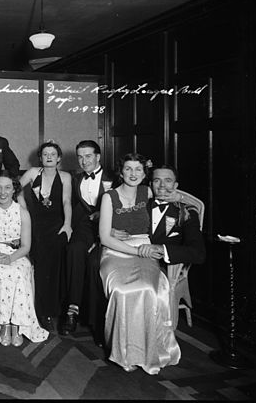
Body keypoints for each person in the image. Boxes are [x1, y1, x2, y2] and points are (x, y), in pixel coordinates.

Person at [98, 153, 180, 375]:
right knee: (122, 290)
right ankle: (124, 354)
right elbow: (105, 237)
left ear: (145, 174)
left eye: (138, 170)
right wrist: (136, 251)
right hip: (115, 252)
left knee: (147, 289)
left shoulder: (149, 192)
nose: (133, 174)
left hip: (147, 249)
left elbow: (176, 202)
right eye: (128, 169)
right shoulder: (109, 197)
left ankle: (147, 352)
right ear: (121, 171)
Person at [0, 170, 49, 347]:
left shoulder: (22, 212)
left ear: (14, 189)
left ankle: (17, 325)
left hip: (17, 255)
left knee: (17, 273)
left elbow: (26, 246)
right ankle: (3, 325)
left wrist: (10, 258)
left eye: (7, 188)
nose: (3, 192)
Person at [61, 140, 115, 336]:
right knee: (74, 249)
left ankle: (98, 322)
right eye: (80, 157)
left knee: (94, 262)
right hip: (86, 224)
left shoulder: (115, 176)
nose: (83, 161)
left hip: (111, 226)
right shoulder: (76, 179)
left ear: (98, 157)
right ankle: (72, 310)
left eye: (88, 156)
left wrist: (105, 213)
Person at [19, 141, 72, 331]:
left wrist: (67, 224)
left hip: (58, 226)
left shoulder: (65, 176)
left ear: (59, 158)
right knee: (40, 268)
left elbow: (66, 201)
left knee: (57, 267)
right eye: (45, 154)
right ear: (40, 157)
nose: (49, 157)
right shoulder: (33, 173)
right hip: (36, 226)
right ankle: (42, 313)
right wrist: (23, 209)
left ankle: (56, 310)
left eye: (53, 154)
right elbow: (13, 188)